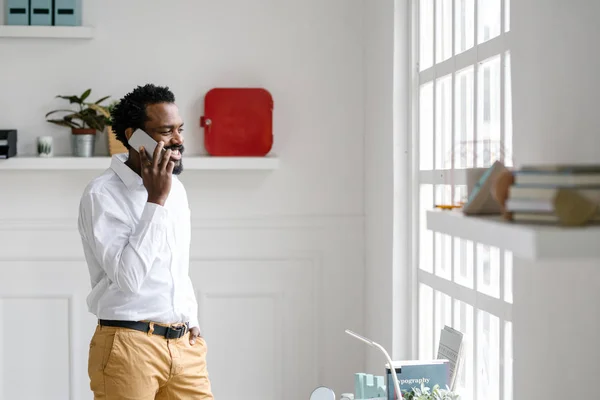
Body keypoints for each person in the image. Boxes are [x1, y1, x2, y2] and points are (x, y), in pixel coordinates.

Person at [77, 84, 214, 399]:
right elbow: (129, 279)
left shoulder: (175, 189)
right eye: (166, 131)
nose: (178, 139)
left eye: (179, 129)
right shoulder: (103, 194)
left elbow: (176, 264)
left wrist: (190, 317)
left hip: (184, 346)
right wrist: (155, 201)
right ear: (134, 136)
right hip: (129, 344)